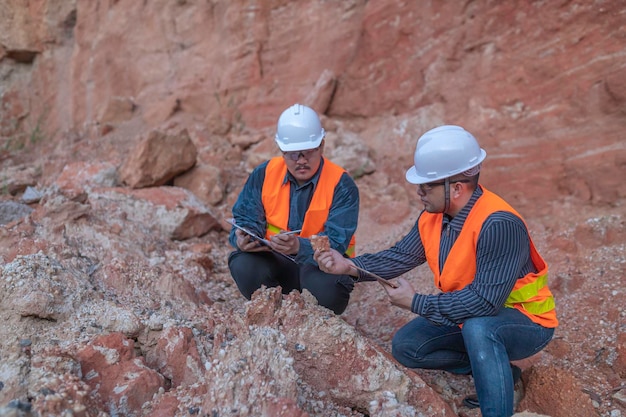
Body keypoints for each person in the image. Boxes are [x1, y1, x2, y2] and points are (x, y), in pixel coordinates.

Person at [314, 125, 557, 417]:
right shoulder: (434, 217)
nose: (419, 191)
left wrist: (417, 303)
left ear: (456, 188)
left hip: (526, 322)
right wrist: (349, 267)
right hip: (471, 314)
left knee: (481, 328)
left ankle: (497, 409)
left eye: (427, 185)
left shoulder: (498, 224)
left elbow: (484, 303)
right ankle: (499, 370)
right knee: (408, 346)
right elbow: (400, 256)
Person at [228, 103, 359, 315]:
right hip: (276, 261)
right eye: (292, 154)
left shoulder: (341, 184)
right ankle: (273, 313)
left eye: (308, 152)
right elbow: (245, 218)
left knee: (329, 291)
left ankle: (312, 319)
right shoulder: (265, 173)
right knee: (244, 265)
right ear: (282, 150)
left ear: (322, 146)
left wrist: (299, 246)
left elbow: (337, 242)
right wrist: (241, 238)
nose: (301, 161)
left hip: (321, 267)